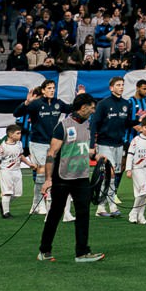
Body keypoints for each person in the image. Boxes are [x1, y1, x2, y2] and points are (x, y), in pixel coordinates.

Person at [36, 94, 105, 264]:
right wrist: (48, 180)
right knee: (55, 213)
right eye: (91, 107)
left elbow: (82, 149)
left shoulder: (88, 125)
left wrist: (97, 156)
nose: (93, 110)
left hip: (81, 177)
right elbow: (51, 153)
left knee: (83, 214)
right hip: (62, 177)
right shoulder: (64, 126)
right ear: (83, 108)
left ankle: (82, 252)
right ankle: (44, 250)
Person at [18, 80, 64, 217]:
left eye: (53, 88)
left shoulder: (58, 103)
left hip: (53, 143)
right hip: (37, 142)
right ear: (43, 90)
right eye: (49, 88)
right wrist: (27, 102)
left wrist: (80, 97)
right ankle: (41, 203)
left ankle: (35, 203)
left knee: (51, 172)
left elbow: (72, 108)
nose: (52, 90)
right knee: (42, 171)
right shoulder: (36, 104)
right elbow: (17, 113)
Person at [91, 80, 131, 217]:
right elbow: (94, 124)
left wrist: (139, 122)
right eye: (118, 85)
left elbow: (128, 123)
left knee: (113, 176)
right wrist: (92, 145)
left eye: (122, 85)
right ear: (111, 87)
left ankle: (103, 207)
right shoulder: (103, 104)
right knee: (110, 174)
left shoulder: (126, 104)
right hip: (104, 143)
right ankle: (109, 206)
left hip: (119, 144)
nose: (121, 87)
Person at [0, 123, 28, 218]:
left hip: (17, 171)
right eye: (18, 133)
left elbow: (20, 156)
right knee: (7, 192)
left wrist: (29, 164)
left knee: (17, 194)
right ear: (11, 135)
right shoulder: (3, 147)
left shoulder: (19, 144)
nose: (20, 135)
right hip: (6, 172)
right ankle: (6, 213)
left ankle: (3, 204)